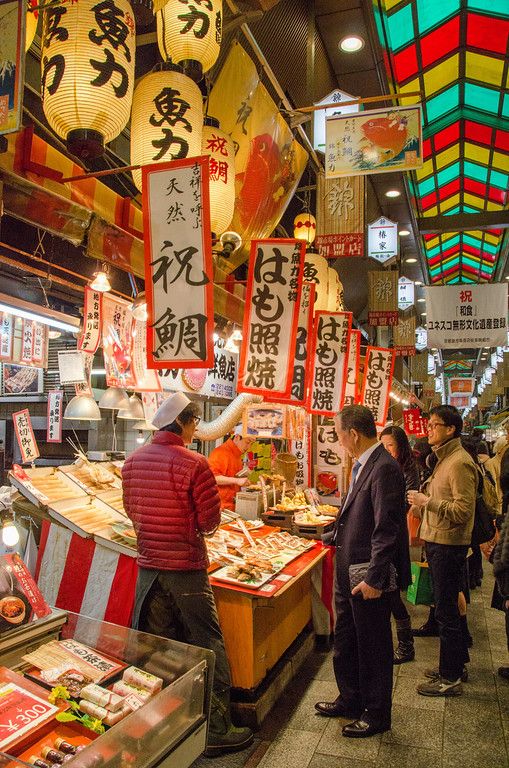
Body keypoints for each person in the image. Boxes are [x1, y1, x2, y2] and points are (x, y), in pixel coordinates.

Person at [122, 392, 253, 757]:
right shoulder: (195, 464)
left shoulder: (132, 462)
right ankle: (217, 729)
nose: (197, 430)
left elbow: (131, 512)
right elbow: (210, 522)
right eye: (194, 423)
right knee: (208, 643)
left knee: (157, 644)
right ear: (181, 423)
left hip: (148, 568)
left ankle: (160, 722)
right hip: (186, 570)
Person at [315, 405, 408, 738]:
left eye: (339, 434)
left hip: (367, 573)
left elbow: (388, 529)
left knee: (373, 645)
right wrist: (328, 537)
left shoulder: (384, 468)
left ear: (353, 434)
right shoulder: (361, 465)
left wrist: (375, 579)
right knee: (346, 640)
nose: (338, 440)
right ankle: (350, 698)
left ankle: (376, 713)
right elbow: (354, 515)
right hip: (346, 568)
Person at [408, 405, 476, 697]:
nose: (429, 430)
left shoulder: (459, 462)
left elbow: (463, 510)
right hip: (438, 539)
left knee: (447, 611)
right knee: (447, 608)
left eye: (435, 425)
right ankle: (455, 665)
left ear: (451, 429)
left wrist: (427, 502)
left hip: (449, 543)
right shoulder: (442, 459)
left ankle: (450, 678)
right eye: (429, 424)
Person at [380, 425, 419, 663]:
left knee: (392, 591)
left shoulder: (407, 468)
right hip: (386, 534)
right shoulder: (383, 467)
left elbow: (404, 502)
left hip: (394, 535)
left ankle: (406, 645)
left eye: (390, 445)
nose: (386, 450)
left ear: (400, 446)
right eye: (382, 445)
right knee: (387, 590)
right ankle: (393, 641)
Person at [208, 426, 255, 511]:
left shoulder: (237, 454)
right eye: (247, 442)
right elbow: (212, 478)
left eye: (251, 444)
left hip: (232, 505)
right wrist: (237, 481)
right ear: (237, 437)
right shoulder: (220, 453)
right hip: (220, 508)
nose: (248, 447)